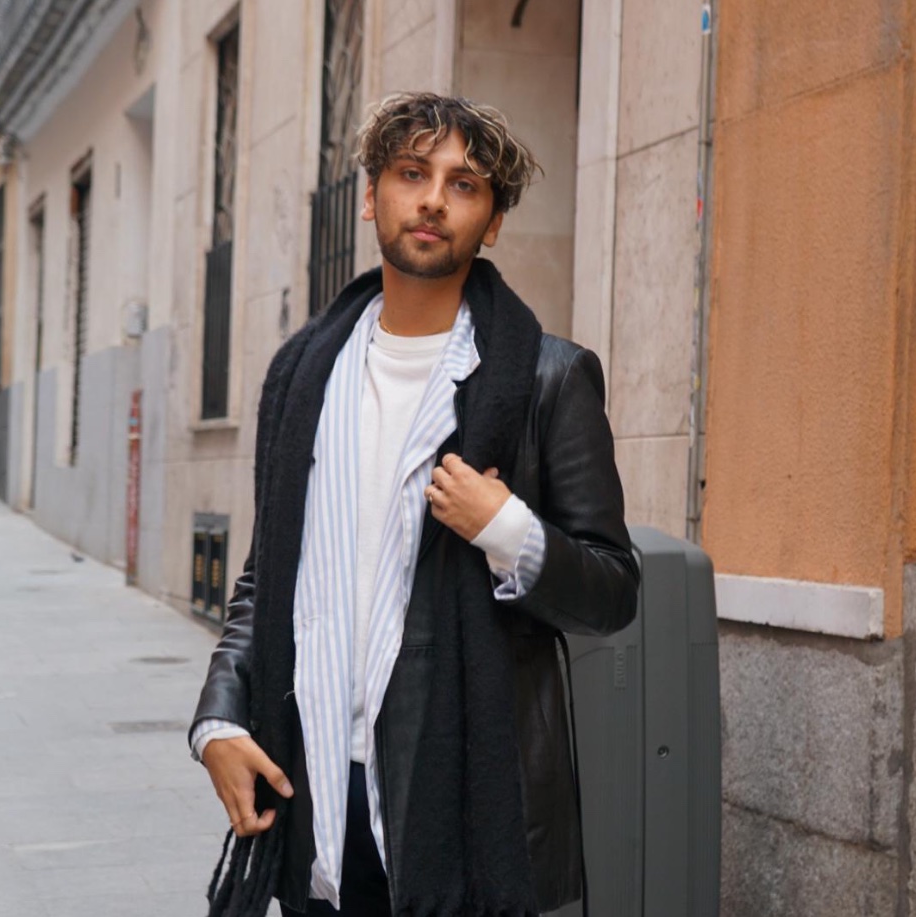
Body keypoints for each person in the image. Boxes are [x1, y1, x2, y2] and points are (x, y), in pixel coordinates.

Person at [191, 93, 639, 917]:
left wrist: (505, 526)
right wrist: (218, 718)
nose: (433, 199)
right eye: (410, 174)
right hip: (316, 784)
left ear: (492, 222)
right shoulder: (302, 377)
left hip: (464, 808)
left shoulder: (549, 380)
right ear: (371, 197)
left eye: (464, 184)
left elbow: (614, 592)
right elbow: (269, 576)